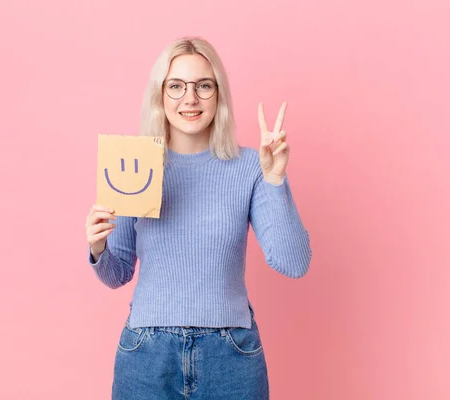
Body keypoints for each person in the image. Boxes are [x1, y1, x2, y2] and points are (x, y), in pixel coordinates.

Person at [86, 36, 312, 400]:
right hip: (147, 355)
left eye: (203, 86)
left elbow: (294, 262)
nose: (189, 98)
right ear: (159, 95)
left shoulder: (251, 167)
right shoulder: (134, 165)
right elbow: (118, 273)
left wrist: (275, 180)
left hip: (231, 355)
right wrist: (98, 247)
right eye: (176, 86)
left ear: (218, 94)